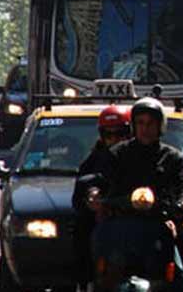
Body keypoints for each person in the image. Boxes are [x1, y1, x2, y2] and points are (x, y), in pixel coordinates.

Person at [91, 97, 183, 291]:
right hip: (120, 227)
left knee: (180, 278)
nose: (145, 128)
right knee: (101, 268)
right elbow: (100, 182)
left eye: (150, 124)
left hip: (157, 225)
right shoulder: (117, 153)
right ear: (133, 126)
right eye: (140, 123)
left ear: (160, 126)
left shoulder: (173, 158)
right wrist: (96, 195)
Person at [71, 105, 131, 289]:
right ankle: (87, 281)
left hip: (140, 216)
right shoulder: (95, 159)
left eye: (120, 134)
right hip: (107, 218)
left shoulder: (150, 155)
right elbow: (83, 186)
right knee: (82, 229)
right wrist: (92, 195)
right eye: (108, 134)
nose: (114, 140)